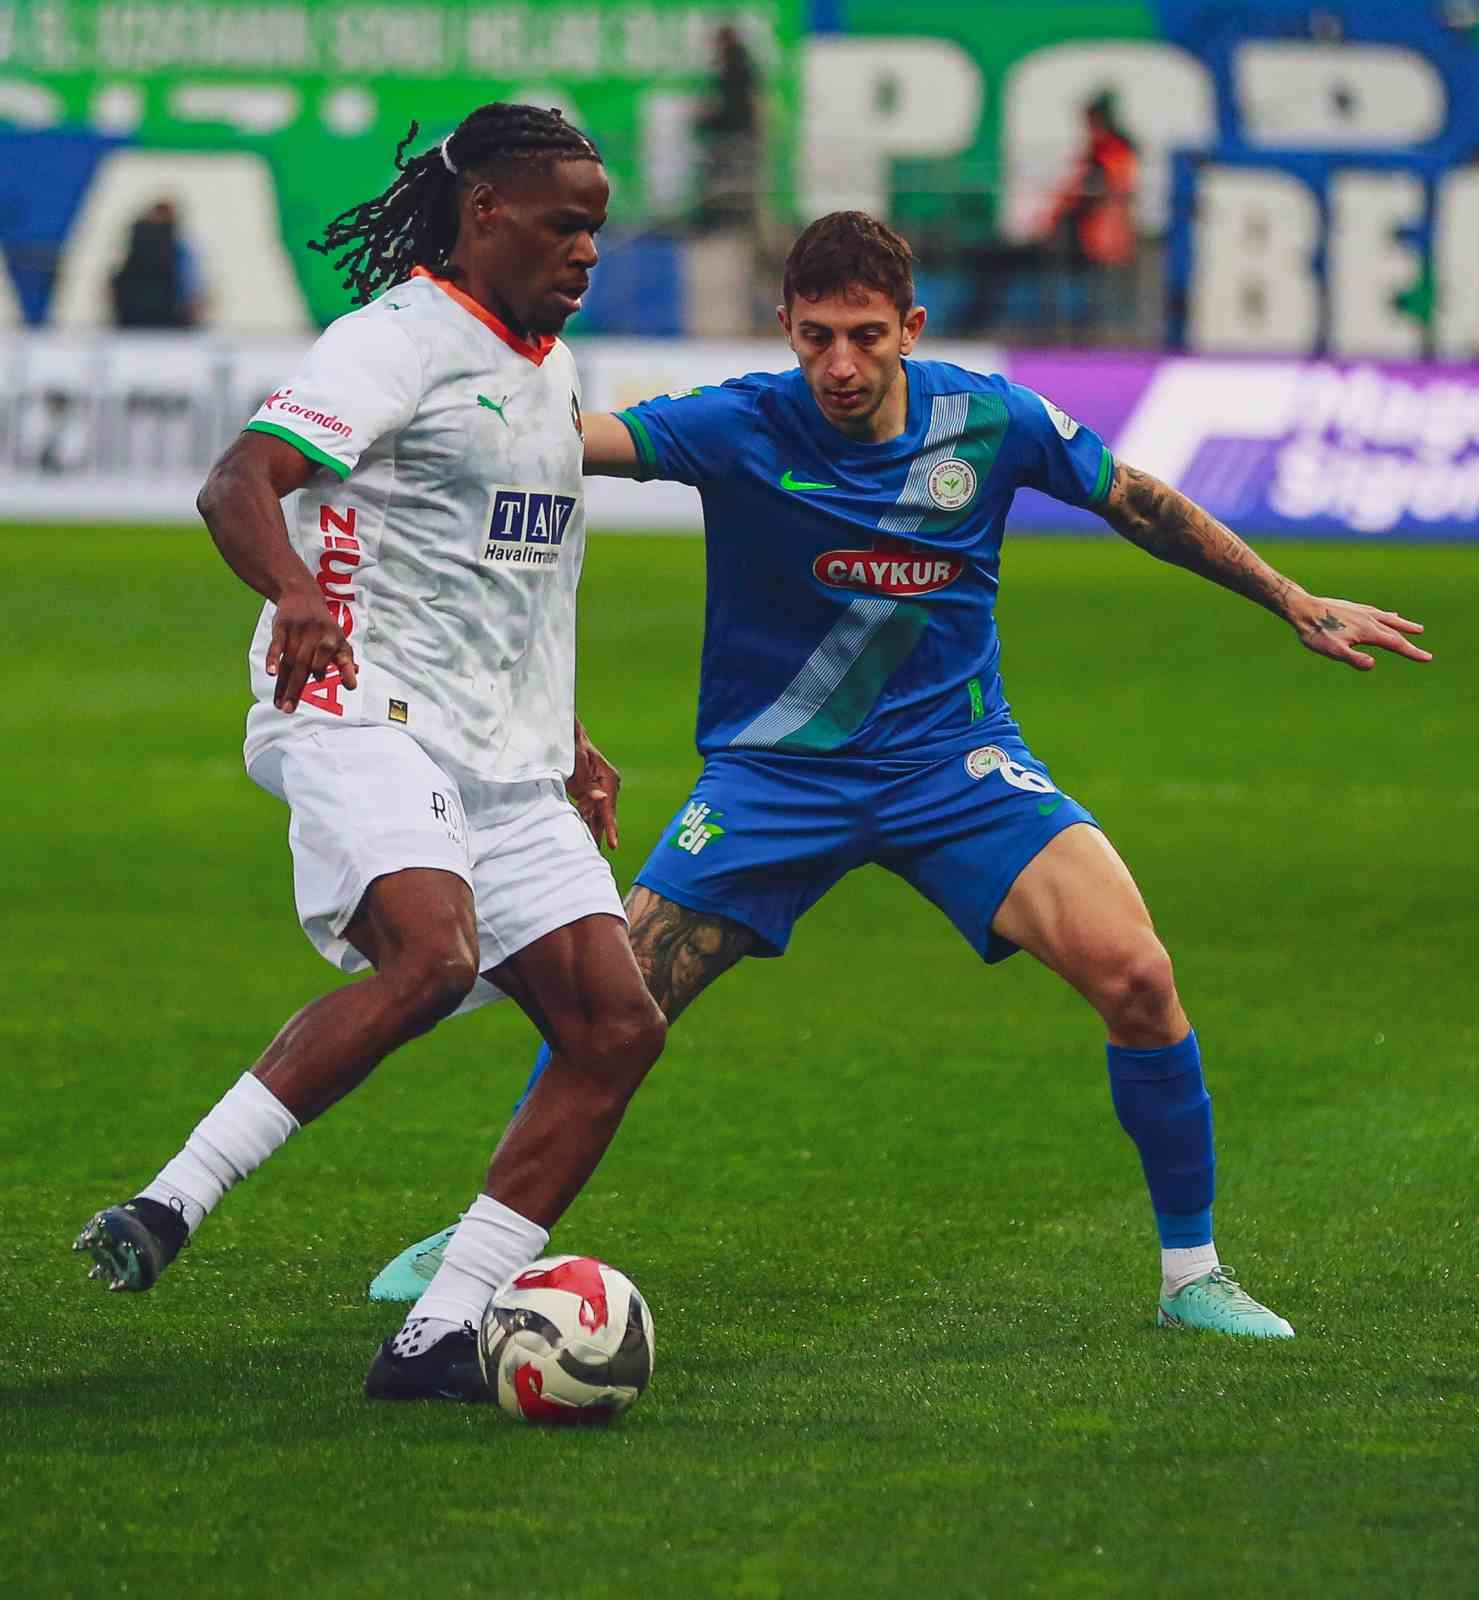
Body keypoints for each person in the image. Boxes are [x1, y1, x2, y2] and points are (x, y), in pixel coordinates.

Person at [374, 210, 1432, 1353]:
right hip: (775, 778)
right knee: (611, 1008)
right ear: (785, 324)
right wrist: (423, 391)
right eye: (816, 337)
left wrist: (1290, 598)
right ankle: (487, 1234)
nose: (840, 364)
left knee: (1139, 974)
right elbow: (576, 441)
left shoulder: (991, 420)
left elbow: (1135, 501)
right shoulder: (739, 422)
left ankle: (1193, 1274)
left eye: (866, 336)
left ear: (911, 328)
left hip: (955, 767)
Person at [74, 103, 668, 1403]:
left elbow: (518, 578)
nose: (586, 251)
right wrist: (295, 594)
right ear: (484, 213)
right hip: (356, 702)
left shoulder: (552, 366)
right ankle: (170, 1201)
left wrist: (568, 735)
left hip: (503, 751)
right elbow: (237, 481)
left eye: (596, 230)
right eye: (563, 225)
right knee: (432, 956)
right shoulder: (392, 342)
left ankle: (437, 1332)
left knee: (615, 1026)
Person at [111, 199, 204, 328]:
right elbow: (188, 283)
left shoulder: (140, 241)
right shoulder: (174, 247)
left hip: (137, 317)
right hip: (162, 317)